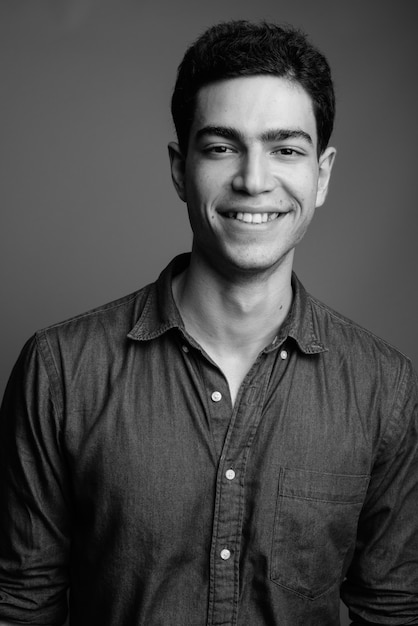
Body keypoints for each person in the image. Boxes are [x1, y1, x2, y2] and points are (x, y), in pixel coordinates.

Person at [0, 19, 417, 626]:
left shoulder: (385, 389)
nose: (253, 179)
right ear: (179, 168)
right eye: (222, 147)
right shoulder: (60, 370)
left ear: (321, 173)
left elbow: (394, 612)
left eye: (286, 149)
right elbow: (19, 607)